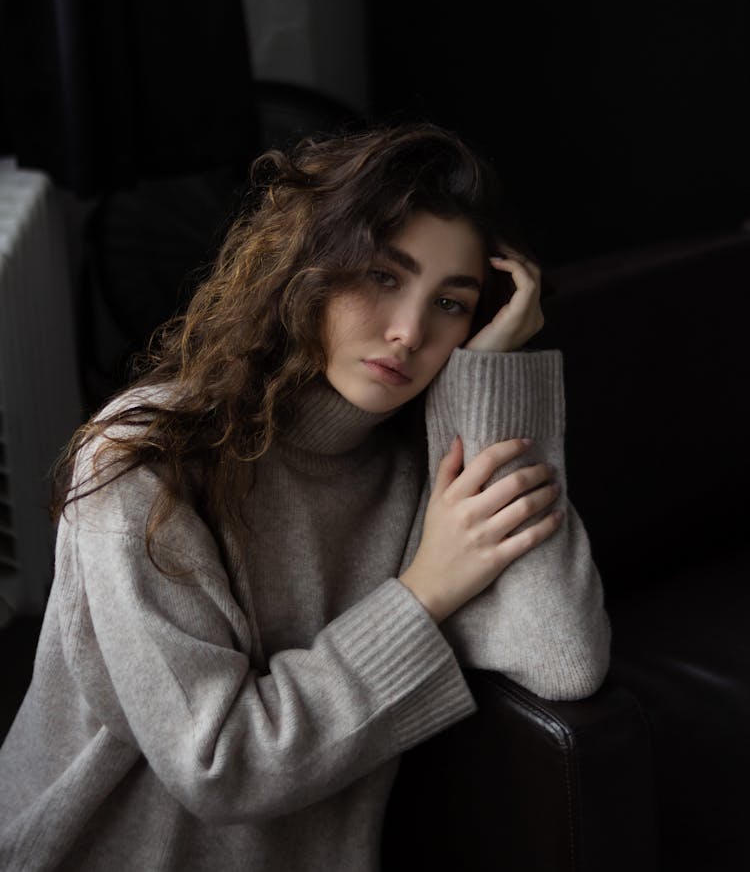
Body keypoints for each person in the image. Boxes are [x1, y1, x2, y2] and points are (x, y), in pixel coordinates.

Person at [0, 120, 610, 871]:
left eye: (452, 303)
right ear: (311, 266)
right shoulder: (144, 464)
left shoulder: (425, 465)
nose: (408, 331)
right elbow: (220, 760)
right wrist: (425, 592)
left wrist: (493, 376)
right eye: (384, 276)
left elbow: (564, 658)